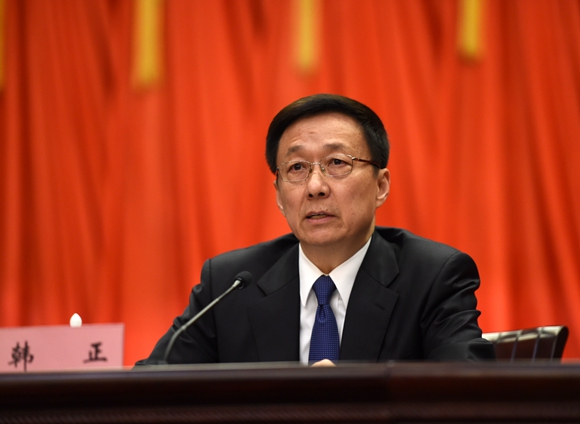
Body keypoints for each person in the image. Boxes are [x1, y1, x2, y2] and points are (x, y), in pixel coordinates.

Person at [136, 94, 495, 366]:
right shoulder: (229, 285)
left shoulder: (432, 277)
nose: (315, 187)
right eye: (296, 168)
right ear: (279, 195)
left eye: (337, 162)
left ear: (381, 186)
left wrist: (347, 400)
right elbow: (150, 391)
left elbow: (465, 396)